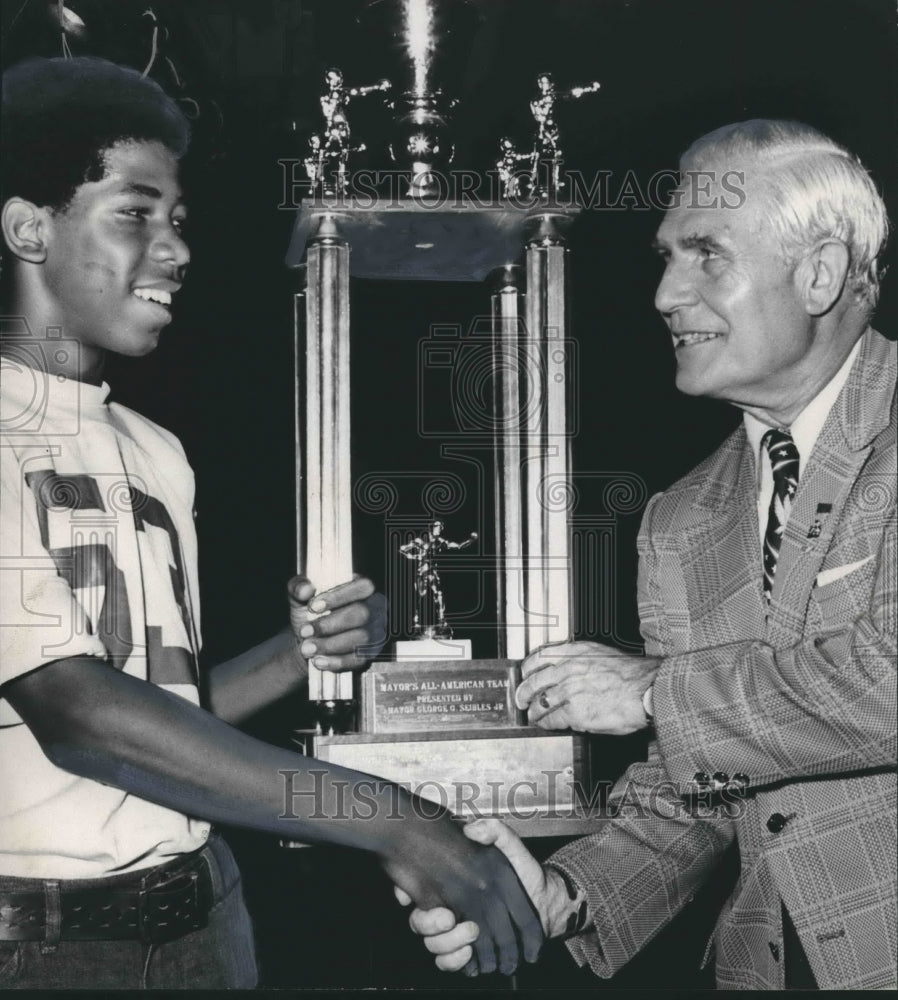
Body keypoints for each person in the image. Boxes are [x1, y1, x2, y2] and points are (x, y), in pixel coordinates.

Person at [0, 56, 541, 989]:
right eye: (134, 213)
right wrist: (397, 822)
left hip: (209, 923)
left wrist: (302, 654)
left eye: (178, 220)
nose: (175, 250)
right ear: (27, 228)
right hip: (45, 946)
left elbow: (168, 712)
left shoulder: (155, 448)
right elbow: (79, 714)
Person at [401, 119, 896, 990]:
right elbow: (697, 776)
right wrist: (566, 894)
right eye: (666, 258)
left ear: (819, 273)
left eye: (707, 255)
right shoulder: (681, 517)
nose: (667, 294)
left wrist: (649, 689)